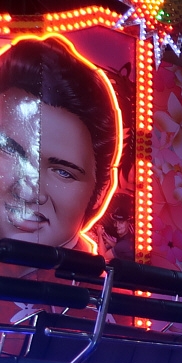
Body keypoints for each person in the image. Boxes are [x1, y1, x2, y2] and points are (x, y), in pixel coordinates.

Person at [0, 34, 122, 253]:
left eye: (63, 172)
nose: (28, 192)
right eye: (9, 151)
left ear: (100, 194)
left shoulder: (96, 279)